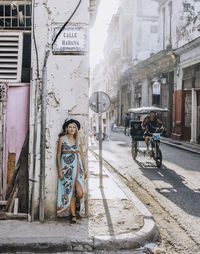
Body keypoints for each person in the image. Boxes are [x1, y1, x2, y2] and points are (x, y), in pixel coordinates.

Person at [56, 119, 87, 223]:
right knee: (70, 192)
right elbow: (58, 155)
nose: (72, 129)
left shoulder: (78, 140)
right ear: (66, 128)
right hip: (66, 170)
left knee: (80, 192)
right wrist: (60, 171)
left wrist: (85, 169)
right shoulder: (62, 139)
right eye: (70, 127)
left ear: (76, 129)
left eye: (74, 127)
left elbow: (82, 154)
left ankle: (77, 206)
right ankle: (73, 215)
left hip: (78, 169)